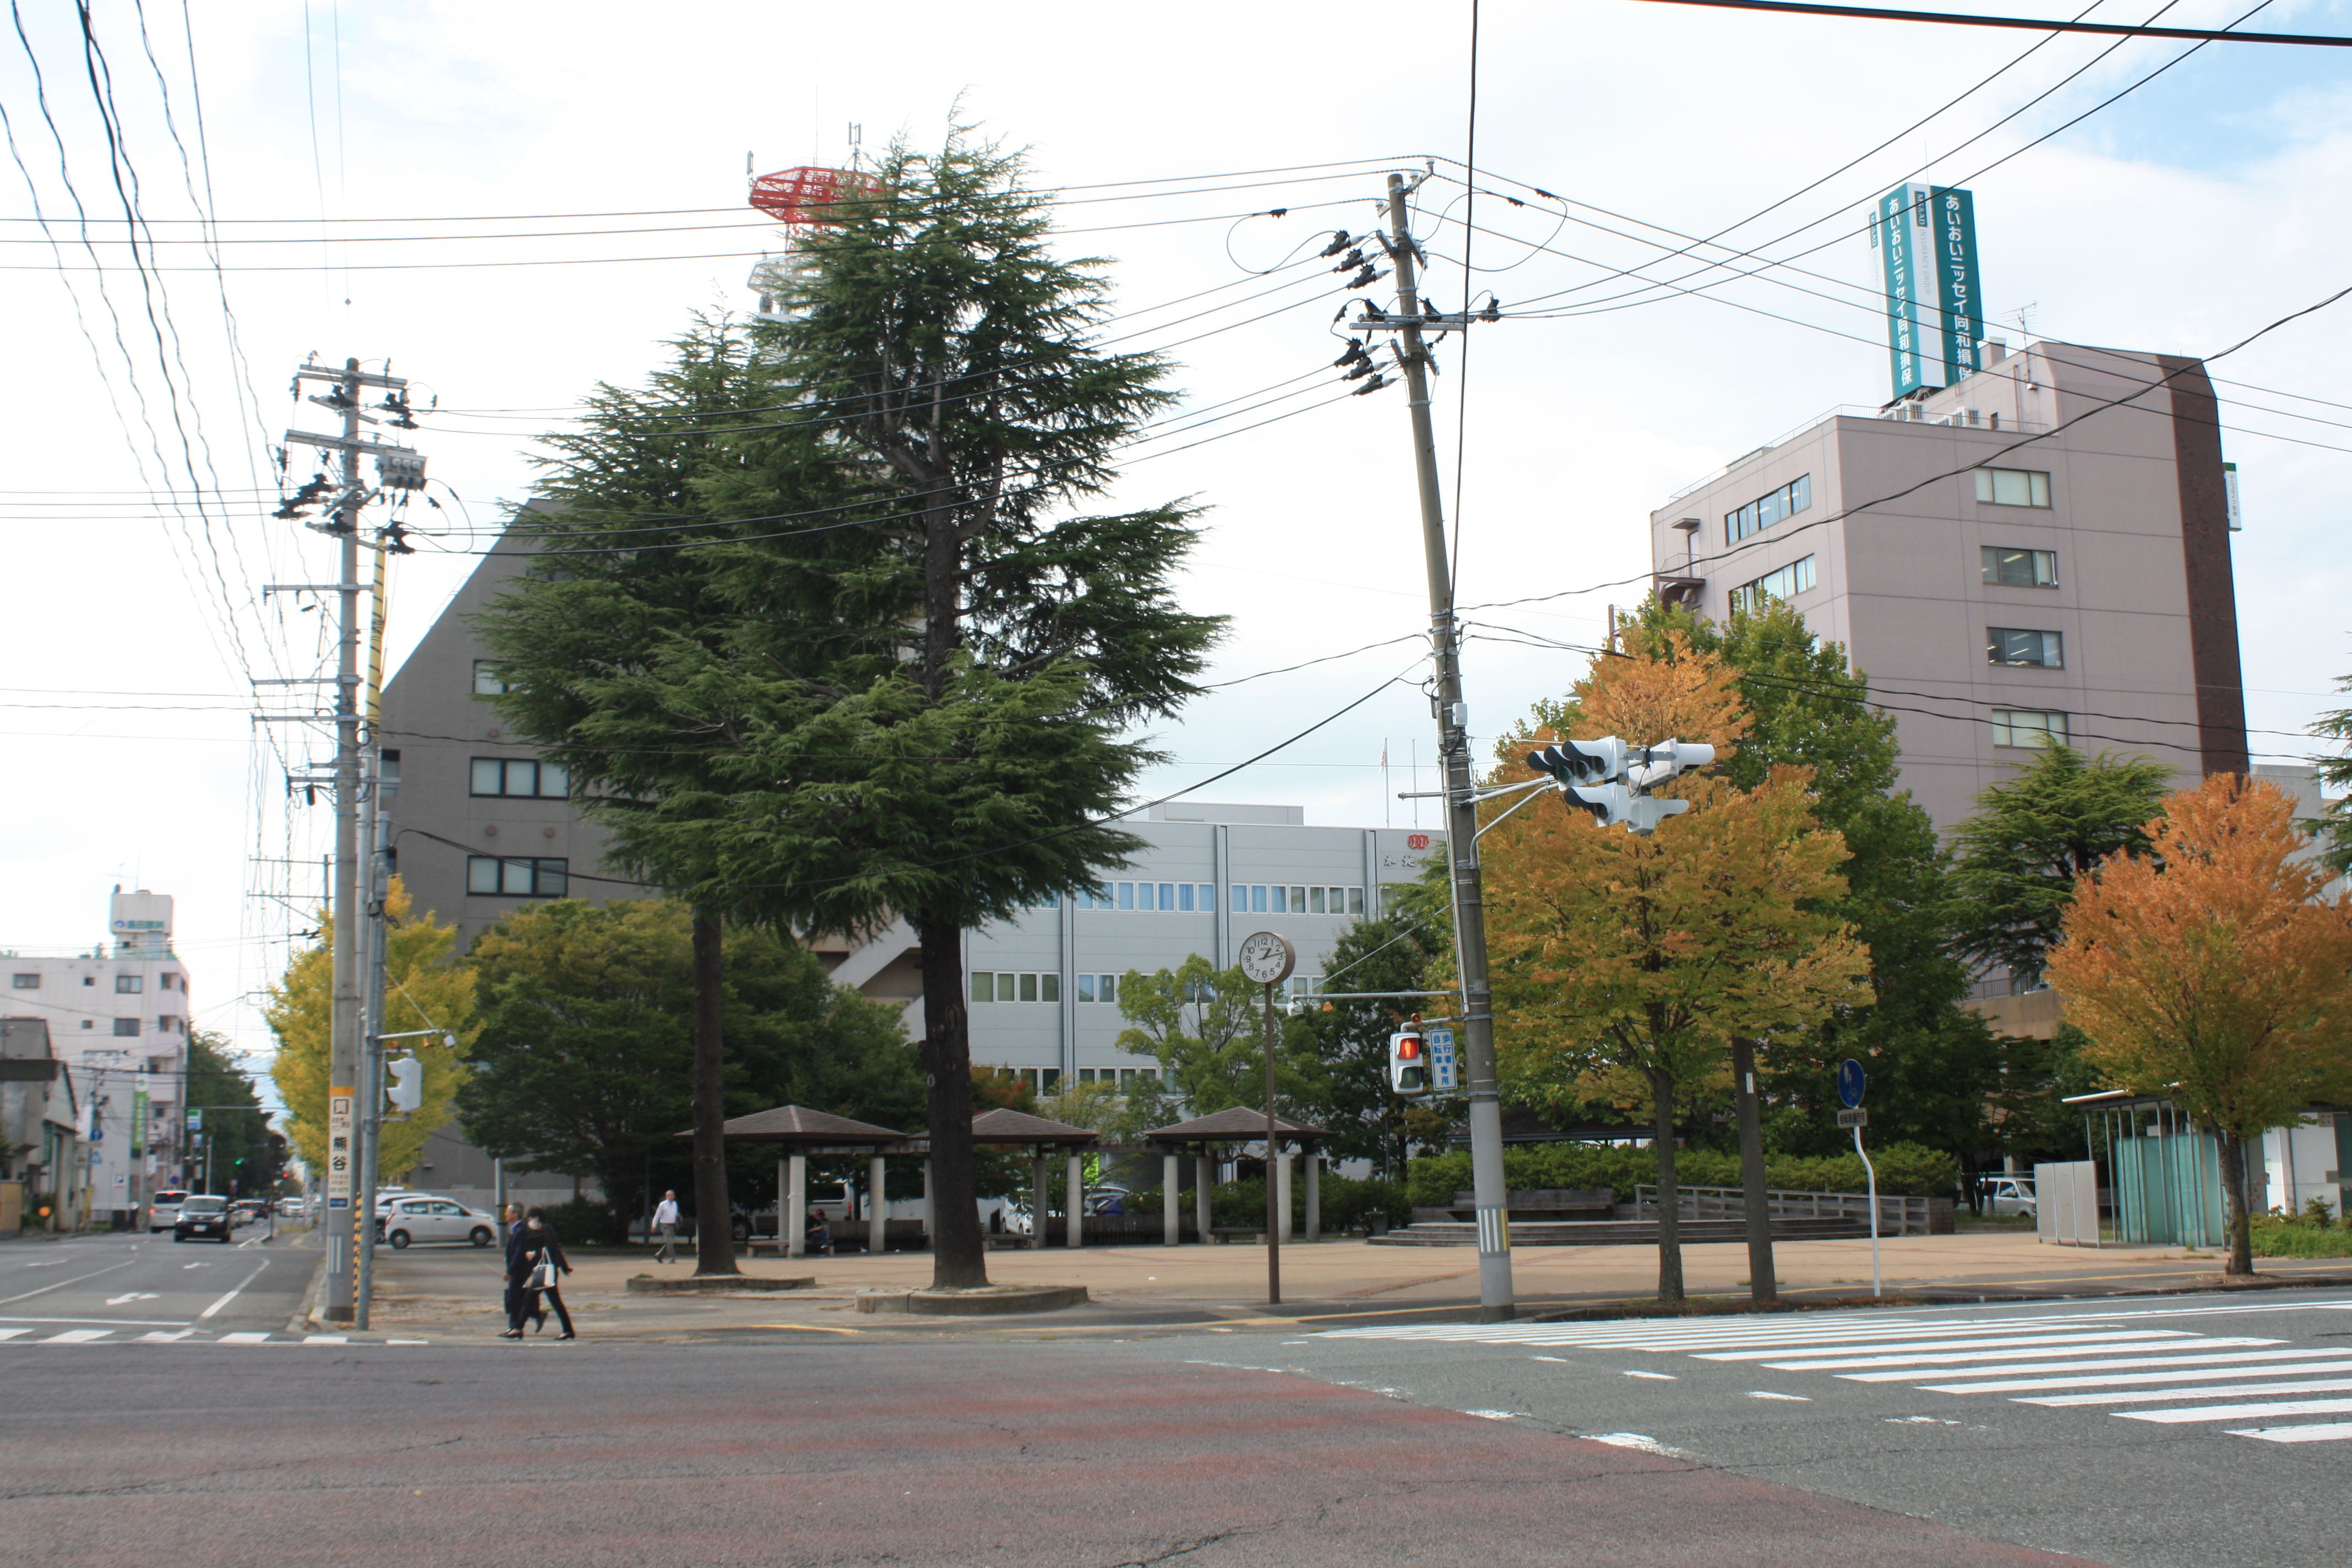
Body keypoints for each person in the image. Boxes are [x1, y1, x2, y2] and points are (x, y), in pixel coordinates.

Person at [519, 1205, 575, 1340]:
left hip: (546, 1270)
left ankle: (517, 1328)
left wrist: (534, 1254)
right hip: (546, 1270)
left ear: (537, 1218)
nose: (529, 1222)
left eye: (530, 1219)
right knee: (554, 1302)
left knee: (529, 1298)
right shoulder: (544, 1230)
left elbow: (550, 1248)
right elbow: (557, 1250)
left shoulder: (546, 1229)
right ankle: (568, 1330)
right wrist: (565, 1267)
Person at [499, 1204, 530, 1339]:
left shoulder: (521, 1230)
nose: (506, 1215)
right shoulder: (516, 1229)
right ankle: (514, 1327)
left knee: (514, 1298)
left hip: (518, 1271)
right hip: (517, 1270)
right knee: (514, 1298)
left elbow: (519, 1253)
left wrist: (510, 1271)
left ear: (515, 1214)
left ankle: (515, 1327)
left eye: (508, 1212)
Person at [651, 1190, 680, 1264]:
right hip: (665, 1225)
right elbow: (657, 1215)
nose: (671, 1197)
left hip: (672, 1225)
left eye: (672, 1195)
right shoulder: (663, 1204)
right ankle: (672, 1258)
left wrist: (677, 1216)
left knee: (669, 1242)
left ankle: (659, 1256)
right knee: (670, 1242)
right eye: (669, 1195)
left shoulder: (675, 1204)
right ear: (666, 1196)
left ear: (674, 1197)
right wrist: (654, 1226)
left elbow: (674, 1213)